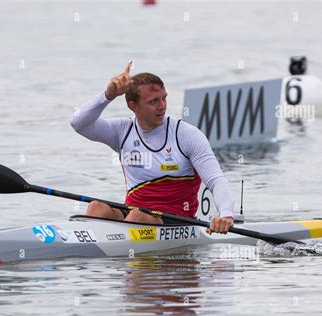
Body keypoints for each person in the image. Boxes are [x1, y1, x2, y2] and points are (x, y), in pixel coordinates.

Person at [71, 61, 234, 234]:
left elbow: (216, 179)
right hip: (135, 214)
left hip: (176, 220)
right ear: (133, 106)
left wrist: (226, 215)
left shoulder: (186, 134)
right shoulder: (122, 131)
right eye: (154, 101)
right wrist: (108, 95)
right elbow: (78, 123)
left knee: (136, 217)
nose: (162, 106)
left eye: (164, 98)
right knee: (97, 208)